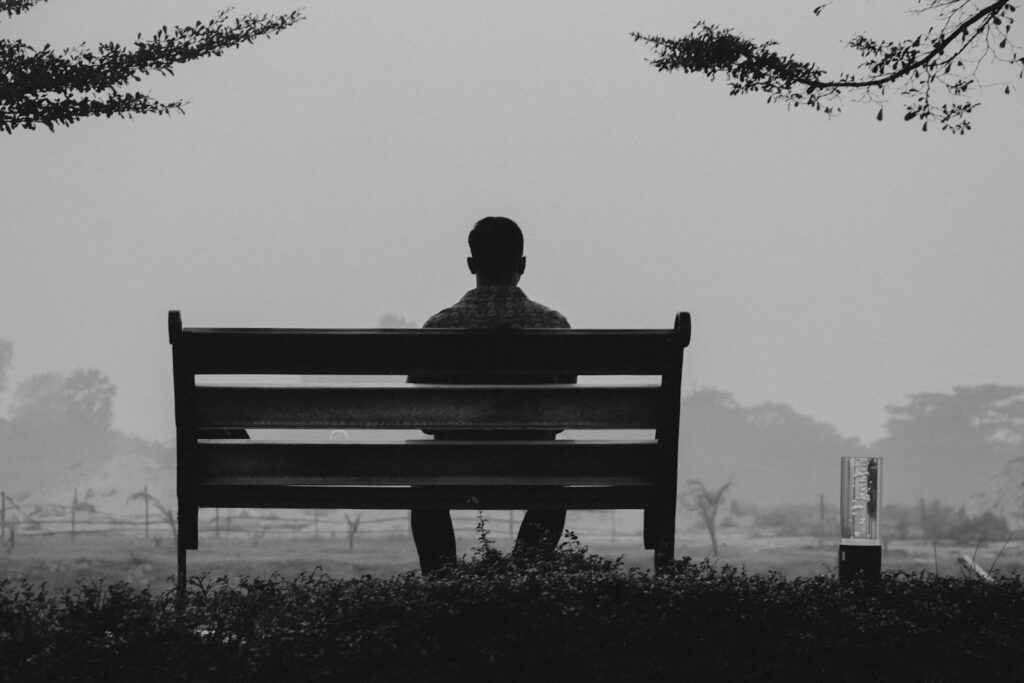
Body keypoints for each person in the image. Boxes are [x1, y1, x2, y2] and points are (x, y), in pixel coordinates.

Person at [410, 216, 573, 573]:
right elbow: (563, 415)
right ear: (523, 265)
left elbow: (421, 418)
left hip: (454, 465)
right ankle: (522, 577)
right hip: (531, 465)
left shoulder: (439, 327)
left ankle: (442, 583)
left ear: (471, 264)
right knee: (554, 484)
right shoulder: (554, 327)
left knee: (424, 486)